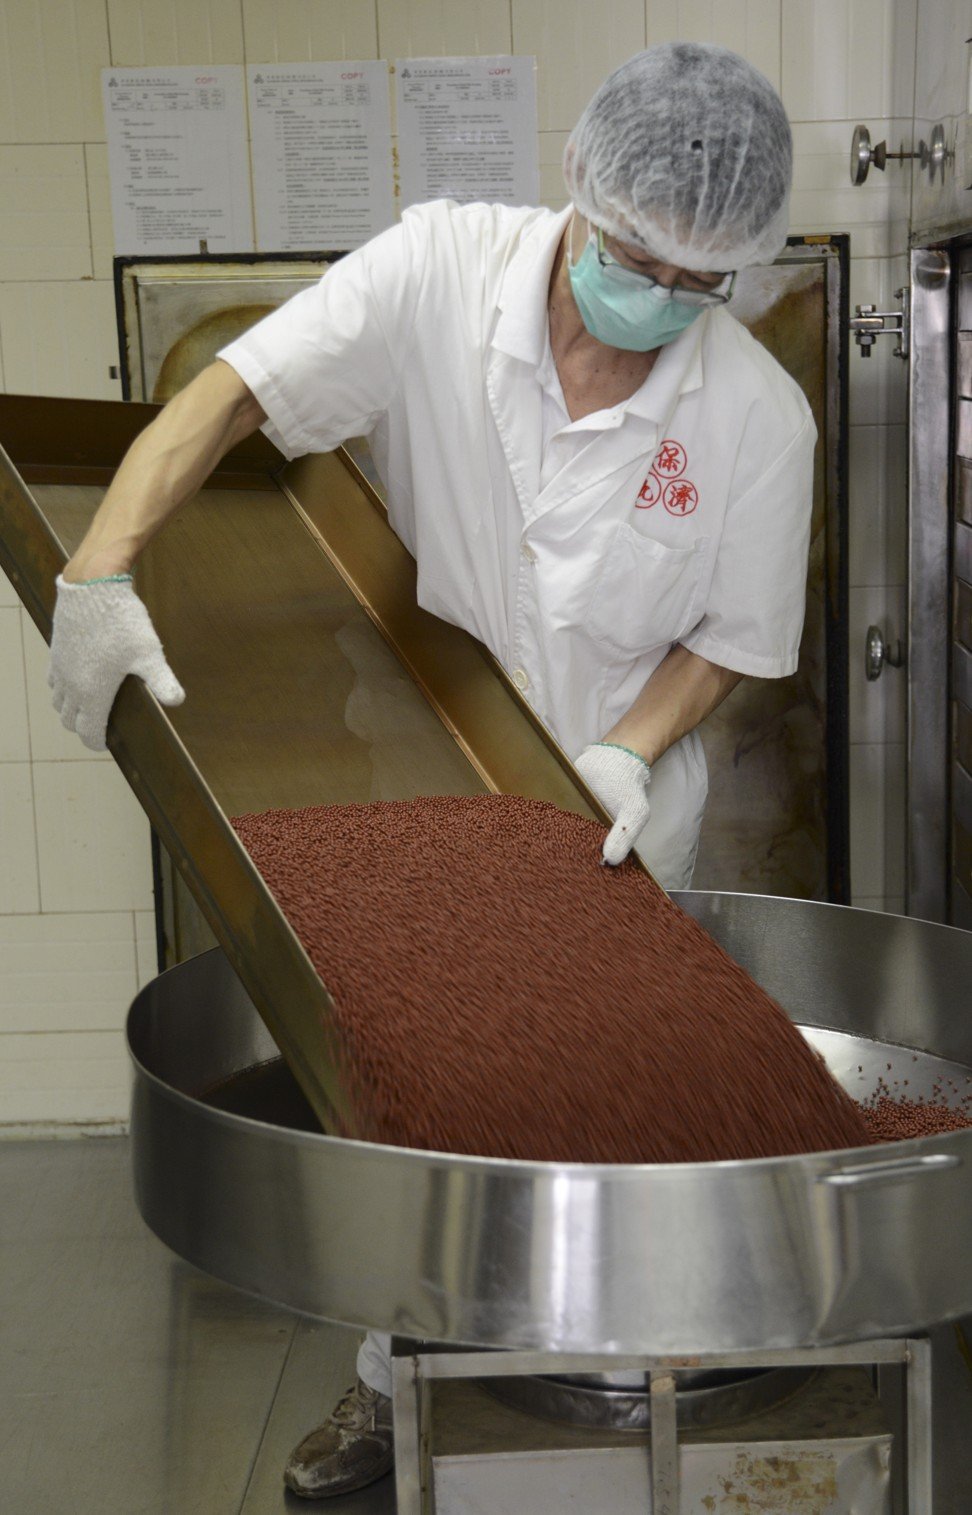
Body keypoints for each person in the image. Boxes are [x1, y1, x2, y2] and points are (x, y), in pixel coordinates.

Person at [48, 42, 813, 1501]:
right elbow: (234, 395)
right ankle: (394, 1392)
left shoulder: (756, 422)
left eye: (694, 283)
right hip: (427, 779)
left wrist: (626, 748)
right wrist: (101, 567)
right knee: (417, 1113)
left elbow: (737, 641)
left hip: (616, 817)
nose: (652, 296)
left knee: (611, 1097)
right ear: (582, 188)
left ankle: (631, 1372)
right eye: (634, 255)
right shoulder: (437, 273)